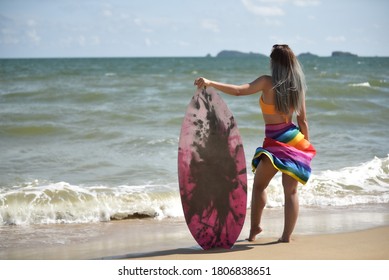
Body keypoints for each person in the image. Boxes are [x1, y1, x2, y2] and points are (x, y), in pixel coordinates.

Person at [194, 44, 316, 243]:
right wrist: (306, 152)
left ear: (274, 63)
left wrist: (211, 83)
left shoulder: (267, 82)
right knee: (291, 191)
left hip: (275, 142)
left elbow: (239, 91)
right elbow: (303, 121)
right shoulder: (298, 87)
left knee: (259, 186)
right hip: (295, 140)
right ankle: (286, 236)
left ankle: (254, 229)